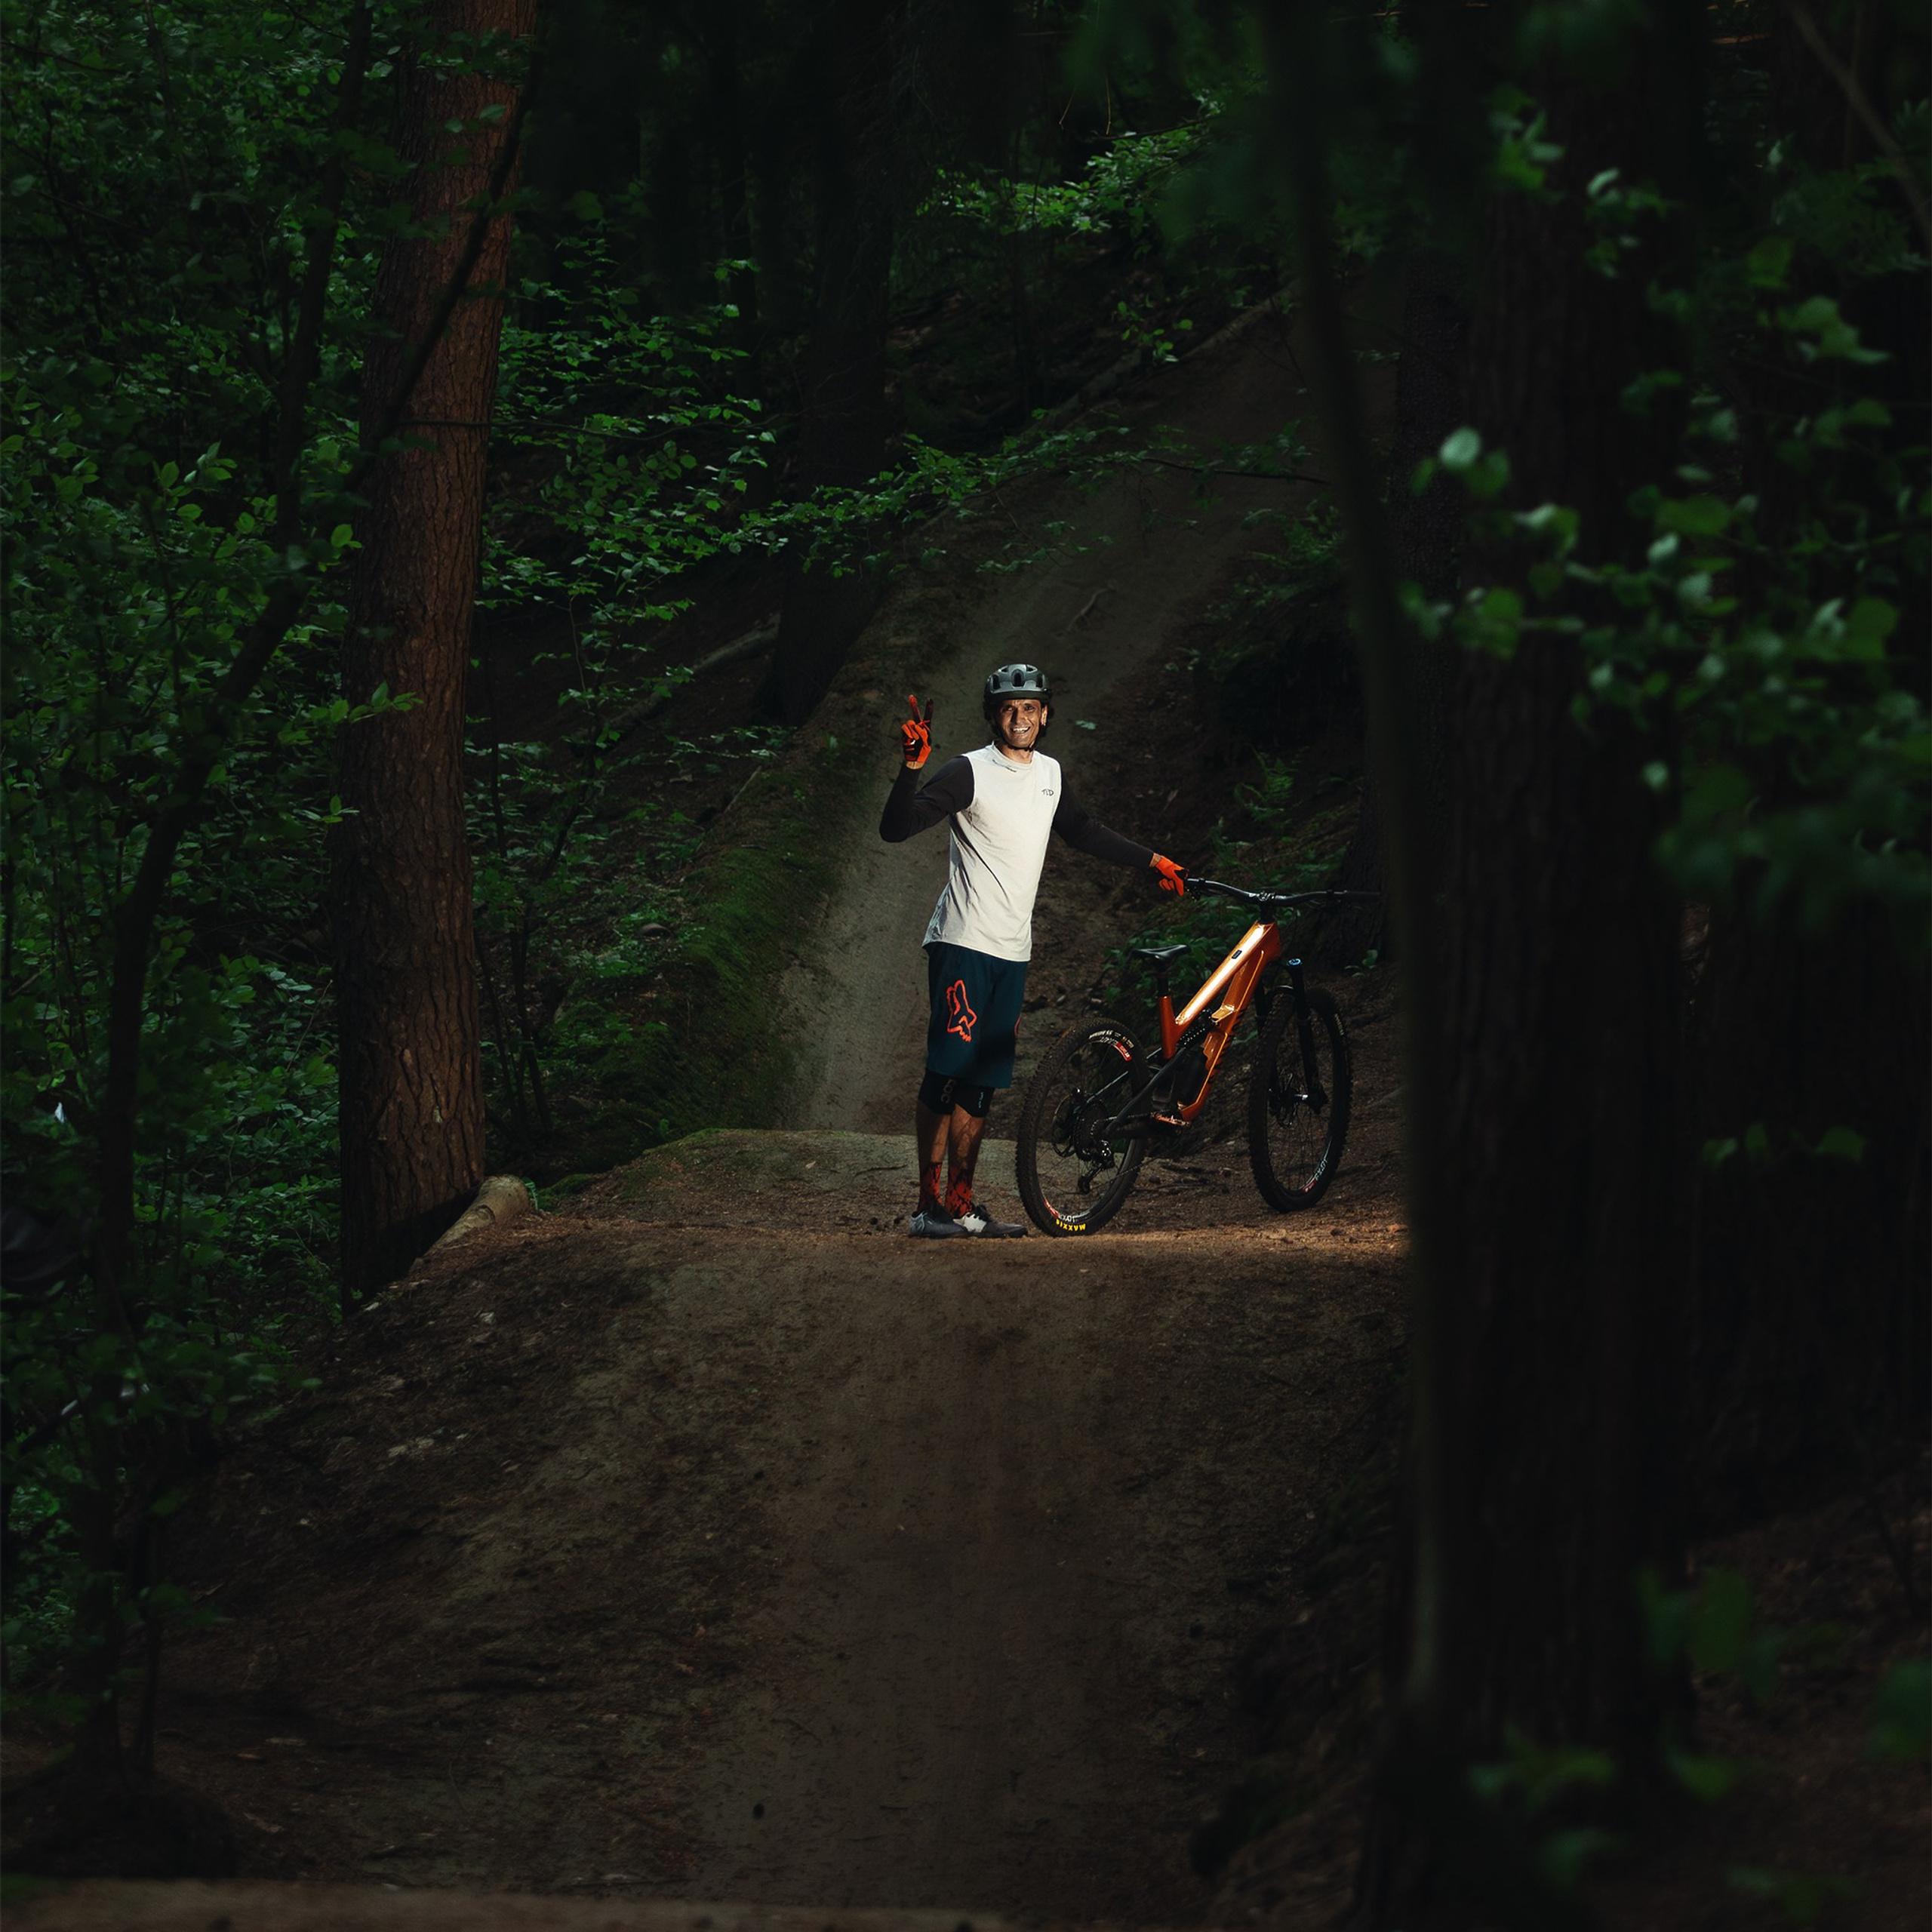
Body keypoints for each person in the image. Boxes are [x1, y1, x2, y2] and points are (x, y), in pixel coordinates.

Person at [880, 662, 1186, 1237]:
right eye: (1008, 708)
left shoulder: (1049, 774)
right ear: (993, 716)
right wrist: (909, 770)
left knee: (982, 1083)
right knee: (947, 1074)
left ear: (1044, 715)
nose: (1019, 718)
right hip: (963, 944)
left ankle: (964, 1205)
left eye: (1029, 708)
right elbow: (896, 829)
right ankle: (927, 1208)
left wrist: (1153, 860)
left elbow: (1083, 829)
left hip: (1011, 953)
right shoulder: (968, 771)